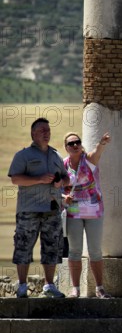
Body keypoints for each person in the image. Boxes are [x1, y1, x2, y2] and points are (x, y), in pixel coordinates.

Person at [8, 117, 70, 298]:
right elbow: (15, 179)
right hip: (29, 210)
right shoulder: (23, 155)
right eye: (42, 130)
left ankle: (49, 285)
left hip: (52, 209)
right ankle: (21, 285)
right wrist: (39, 179)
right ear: (33, 134)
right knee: (24, 246)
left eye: (48, 130)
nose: (46, 133)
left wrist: (61, 183)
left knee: (52, 248)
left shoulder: (57, 156)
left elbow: (67, 178)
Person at [62, 131, 112, 298]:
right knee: (74, 251)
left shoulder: (88, 160)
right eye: (71, 143)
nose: (75, 145)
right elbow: (56, 187)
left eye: (77, 142)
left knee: (95, 251)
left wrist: (102, 143)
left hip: (94, 210)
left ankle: (99, 287)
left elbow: (97, 152)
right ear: (66, 148)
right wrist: (63, 197)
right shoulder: (63, 165)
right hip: (74, 212)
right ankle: (75, 288)